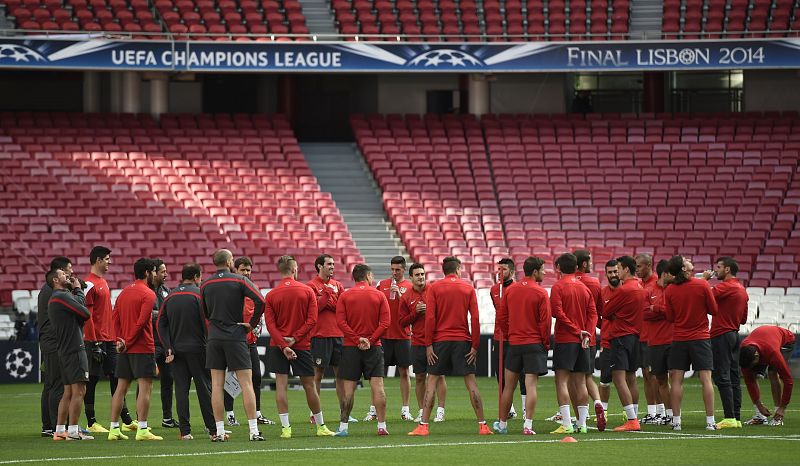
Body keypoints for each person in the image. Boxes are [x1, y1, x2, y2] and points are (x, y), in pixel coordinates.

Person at [408, 257, 492, 436]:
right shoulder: (468, 288)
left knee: (432, 380)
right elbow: (475, 319)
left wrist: (428, 344)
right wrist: (475, 346)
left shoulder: (435, 288)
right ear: (458, 269)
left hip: (440, 341)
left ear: (444, 270)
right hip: (462, 340)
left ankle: (423, 426)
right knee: (471, 382)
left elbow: (430, 318)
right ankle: (482, 425)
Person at [264, 255, 335, 438]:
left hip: (278, 346)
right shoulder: (307, 291)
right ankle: (321, 427)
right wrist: (294, 340)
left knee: (281, 385)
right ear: (295, 269)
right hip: (302, 344)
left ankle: (286, 429)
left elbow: (270, 326)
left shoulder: (271, 294)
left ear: (280, 270)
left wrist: (283, 344)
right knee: (309, 386)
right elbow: (312, 320)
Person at [201, 249, 267, 442]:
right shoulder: (240, 280)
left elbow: (204, 312)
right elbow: (261, 301)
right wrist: (251, 324)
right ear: (230, 261)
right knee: (246, 384)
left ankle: (220, 432)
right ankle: (253, 431)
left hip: (214, 337)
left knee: (216, 385)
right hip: (236, 335)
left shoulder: (206, 284)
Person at [157, 263, 216, 440]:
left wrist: (168, 347)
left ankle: (185, 431)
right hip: (199, 349)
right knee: (204, 389)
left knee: (181, 390)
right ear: (197, 276)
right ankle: (213, 430)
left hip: (176, 351)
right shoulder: (199, 295)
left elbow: (160, 323)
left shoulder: (170, 296)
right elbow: (207, 323)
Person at [492, 257, 550, 435]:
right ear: (535, 272)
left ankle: (502, 425)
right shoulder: (541, 293)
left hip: (514, 344)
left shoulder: (510, 291)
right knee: (530, 385)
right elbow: (545, 322)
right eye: (542, 269)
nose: (545, 273)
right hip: (533, 344)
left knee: (508, 386)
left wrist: (510, 335)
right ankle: (528, 426)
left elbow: (501, 317)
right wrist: (545, 343)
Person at [107, 257, 163, 441]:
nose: (155, 274)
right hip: (142, 346)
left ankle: (114, 429)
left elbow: (114, 317)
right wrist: (128, 341)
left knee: (121, 388)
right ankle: (142, 429)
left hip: (125, 348)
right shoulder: (148, 294)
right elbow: (142, 322)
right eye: (154, 271)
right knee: (145, 387)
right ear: (147, 273)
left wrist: (119, 340)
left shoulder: (124, 292)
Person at [333, 264, 391, 437]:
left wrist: (357, 339)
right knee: (378, 387)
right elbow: (385, 323)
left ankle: (343, 427)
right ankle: (382, 426)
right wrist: (370, 340)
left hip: (351, 347)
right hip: (374, 347)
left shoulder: (345, 295)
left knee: (348, 390)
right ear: (368, 276)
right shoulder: (379, 295)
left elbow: (341, 322)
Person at [664, 255, 718, 431]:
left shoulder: (670, 290)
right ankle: (710, 422)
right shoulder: (702, 284)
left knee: (676, 380)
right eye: (685, 260)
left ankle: (677, 421)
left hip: (679, 338)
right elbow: (714, 310)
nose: (688, 260)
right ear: (684, 269)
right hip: (700, 337)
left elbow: (670, 317)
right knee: (706, 379)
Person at [82, 246, 133, 433]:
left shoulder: (103, 282)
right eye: (107, 258)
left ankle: (126, 419)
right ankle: (91, 421)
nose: (109, 262)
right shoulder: (88, 284)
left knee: (116, 377)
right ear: (98, 260)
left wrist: (114, 335)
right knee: (92, 379)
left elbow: (105, 315)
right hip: (96, 340)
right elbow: (88, 316)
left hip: (109, 339)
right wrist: (94, 341)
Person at [549, 253, 596, 435]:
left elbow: (557, 313)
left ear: (559, 268)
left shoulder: (558, 287)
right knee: (581, 382)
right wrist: (587, 333)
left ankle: (567, 423)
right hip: (582, 340)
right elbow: (593, 314)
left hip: (565, 339)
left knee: (561, 381)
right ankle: (582, 424)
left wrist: (577, 330)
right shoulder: (584, 288)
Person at [224, 257, 272, 426]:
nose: (246, 273)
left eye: (248, 270)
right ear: (235, 270)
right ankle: (230, 413)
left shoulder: (253, 288)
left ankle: (257, 413)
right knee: (230, 379)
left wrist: (256, 329)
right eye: (243, 270)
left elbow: (260, 312)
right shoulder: (230, 288)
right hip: (232, 341)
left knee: (256, 377)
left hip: (250, 340)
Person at [306, 254, 354, 424]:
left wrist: (328, 301)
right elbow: (314, 309)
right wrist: (327, 296)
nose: (332, 267)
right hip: (319, 336)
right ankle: (315, 413)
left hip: (338, 336)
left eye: (333, 264)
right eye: (329, 264)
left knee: (340, 375)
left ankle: (344, 412)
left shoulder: (338, 285)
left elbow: (342, 308)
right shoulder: (311, 286)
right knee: (316, 375)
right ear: (320, 266)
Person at [601, 255, 646, 432]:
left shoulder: (623, 290)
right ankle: (634, 414)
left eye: (618, 268)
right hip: (635, 337)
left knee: (618, 378)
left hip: (619, 337)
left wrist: (615, 315)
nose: (617, 271)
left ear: (626, 269)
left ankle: (632, 420)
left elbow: (606, 312)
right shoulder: (640, 288)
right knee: (631, 377)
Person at [48, 268, 94, 441]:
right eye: (62, 274)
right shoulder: (62, 295)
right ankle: (74, 431)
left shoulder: (55, 299)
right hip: (75, 348)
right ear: (55, 280)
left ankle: (60, 431)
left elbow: (78, 316)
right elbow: (85, 313)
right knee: (79, 391)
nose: (66, 275)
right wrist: (78, 290)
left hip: (64, 349)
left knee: (68, 392)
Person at [398, 263, 447, 423]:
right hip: (417, 342)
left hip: (436, 341)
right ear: (411, 277)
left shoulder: (435, 291)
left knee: (439, 376)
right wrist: (415, 313)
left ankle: (440, 410)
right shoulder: (406, 297)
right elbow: (402, 322)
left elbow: (444, 314)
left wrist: (430, 311)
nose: (421, 277)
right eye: (417, 274)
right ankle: (421, 410)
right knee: (419, 377)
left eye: (422, 274)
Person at [366, 256, 414, 421]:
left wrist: (400, 297)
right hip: (383, 336)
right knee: (376, 374)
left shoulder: (410, 286)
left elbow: (411, 312)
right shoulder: (381, 285)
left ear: (404, 270)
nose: (394, 272)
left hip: (402, 336)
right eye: (392, 269)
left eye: (398, 270)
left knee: (404, 372)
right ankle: (373, 410)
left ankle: (405, 409)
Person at [703, 257, 748, 429]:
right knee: (734, 376)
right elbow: (743, 319)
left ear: (727, 269)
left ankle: (729, 417)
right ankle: (736, 418)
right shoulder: (742, 290)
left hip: (721, 334)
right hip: (735, 334)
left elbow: (705, 297)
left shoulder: (725, 287)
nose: (716, 270)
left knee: (721, 375)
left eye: (719, 267)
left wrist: (704, 281)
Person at [38, 256, 71, 437]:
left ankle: (48, 425)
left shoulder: (46, 290)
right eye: (68, 269)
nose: (70, 273)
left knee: (50, 384)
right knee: (57, 384)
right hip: (54, 342)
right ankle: (56, 426)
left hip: (48, 341)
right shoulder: (53, 291)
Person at [573, 249, 605, 431]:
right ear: (584, 264)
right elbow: (600, 312)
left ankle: (580, 420)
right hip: (590, 338)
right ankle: (598, 402)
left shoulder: (565, 284)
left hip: (571, 338)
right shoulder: (593, 283)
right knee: (587, 377)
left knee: (573, 381)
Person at [739, 325, 795, 425]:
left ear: (757, 356)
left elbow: (788, 380)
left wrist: (782, 407)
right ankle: (760, 416)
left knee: (772, 373)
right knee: (752, 374)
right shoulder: (745, 351)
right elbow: (749, 381)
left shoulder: (773, 353)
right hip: (764, 343)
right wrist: (758, 405)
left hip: (785, 341)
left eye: (754, 364)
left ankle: (778, 416)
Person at [490, 258, 524, 420]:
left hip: (516, 336)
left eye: (503, 269)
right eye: (498, 270)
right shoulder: (494, 289)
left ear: (512, 271)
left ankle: (525, 409)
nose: (499, 273)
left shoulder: (518, 289)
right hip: (499, 337)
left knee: (522, 373)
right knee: (500, 374)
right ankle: (509, 408)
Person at [643, 259, 674, 425]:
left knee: (676, 379)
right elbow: (644, 313)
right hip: (655, 341)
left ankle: (676, 415)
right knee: (660, 380)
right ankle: (668, 415)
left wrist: (656, 309)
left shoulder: (675, 290)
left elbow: (674, 313)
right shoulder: (649, 290)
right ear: (665, 274)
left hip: (675, 340)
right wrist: (664, 311)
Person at [149, 259, 175, 429]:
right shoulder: (145, 291)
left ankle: (167, 417)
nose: (166, 274)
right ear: (154, 272)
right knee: (146, 381)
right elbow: (146, 314)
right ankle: (140, 419)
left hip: (164, 342)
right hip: (149, 342)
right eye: (163, 271)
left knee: (168, 380)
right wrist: (162, 314)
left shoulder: (166, 290)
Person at [635, 253, 661, 425]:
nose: (636, 269)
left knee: (655, 375)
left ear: (648, 265)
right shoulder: (640, 284)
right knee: (646, 374)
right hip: (641, 335)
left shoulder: (657, 284)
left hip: (654, 337)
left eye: (639, 266)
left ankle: (660, 411)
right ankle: (652, 412)